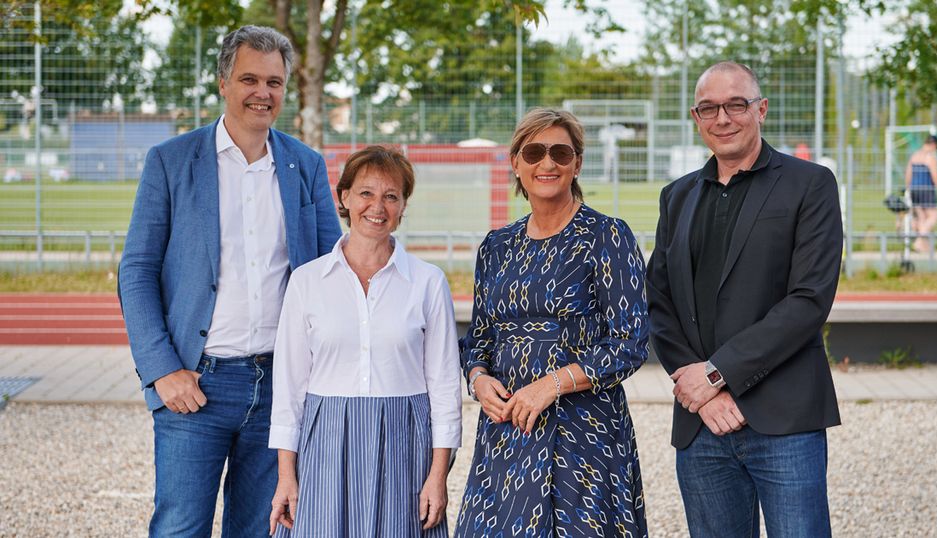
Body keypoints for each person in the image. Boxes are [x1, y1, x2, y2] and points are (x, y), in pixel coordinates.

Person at [118, 26, 342, 537]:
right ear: (223, 82)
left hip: (279, 388)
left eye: (274, 82)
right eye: (249, 79)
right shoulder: (171, 162)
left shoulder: (304, 166)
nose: (262, 93)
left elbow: (330, 271)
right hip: (196, 386)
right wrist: (161, 371)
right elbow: (136, 271)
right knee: (179, 528)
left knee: (262, 530)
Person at [647, 61, 843, 537]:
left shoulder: (810, 184)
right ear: (697, 118)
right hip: (702, 425)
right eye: (709, 108)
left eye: (736, 104)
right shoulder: (677, 196)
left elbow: (808, 301)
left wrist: (716, 375)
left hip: (785, 420)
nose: (723, 118)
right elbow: (658, 302)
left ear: (762, 110)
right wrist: (699, 391)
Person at [454, 108, 649, 536]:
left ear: (577, 163)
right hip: (508, 429)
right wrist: (479, 380)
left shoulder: (607, 236)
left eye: (561, 152)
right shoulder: (496, 246)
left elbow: (630, 342)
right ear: (516, 163)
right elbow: (480, 336)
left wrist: (551, 385)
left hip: (583, 433)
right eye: (535, 152)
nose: (548, 163)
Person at [268, 145, 462, 536]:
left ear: (404, 205)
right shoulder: (307, 282)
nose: (378, 206)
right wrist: (286, 476)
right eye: (366, 193)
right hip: (325, 441)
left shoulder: (427, 282)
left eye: (391, 196)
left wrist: (438, 477)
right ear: (344, 197)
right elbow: (289, 389)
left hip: (404, 442)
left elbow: (444, 389)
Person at [904, 134, 937, 252]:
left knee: (921, 218)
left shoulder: (915, 155)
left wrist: (908, 188)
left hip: (914, 189)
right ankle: (919, 242)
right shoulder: (929, 157)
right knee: (933, 216)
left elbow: (908, 174)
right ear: (933, 145)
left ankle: (924, 247)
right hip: (926, 189)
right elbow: (935, 175)